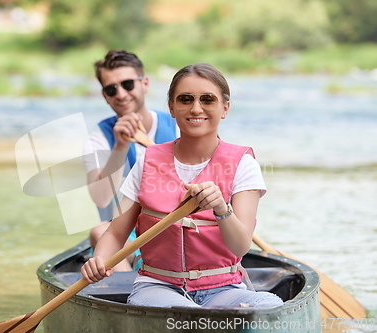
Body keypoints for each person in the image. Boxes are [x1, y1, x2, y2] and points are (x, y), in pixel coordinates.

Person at [80, 62, 284, 308]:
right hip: (157, 287)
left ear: (225, 109)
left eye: (208, 100)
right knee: (188, 315)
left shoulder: (244, 164)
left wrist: (221, 207)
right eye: (185, 99)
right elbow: (115, 232)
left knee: (269, 305)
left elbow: (240, 246)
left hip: (224, 289)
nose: (196, 108)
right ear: (172, 108)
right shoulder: (148, 160)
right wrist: (99, 260)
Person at [83, 50, 178, 271]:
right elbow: (101, 199)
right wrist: (121, 146)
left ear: (144, 83)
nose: (121, 94)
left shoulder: (178, 127)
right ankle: (134, 289)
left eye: (127, 84)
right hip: (125, 237)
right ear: (105, 96)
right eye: (111, 89)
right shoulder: (98, 141)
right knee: (99, 231)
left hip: (175, 229)